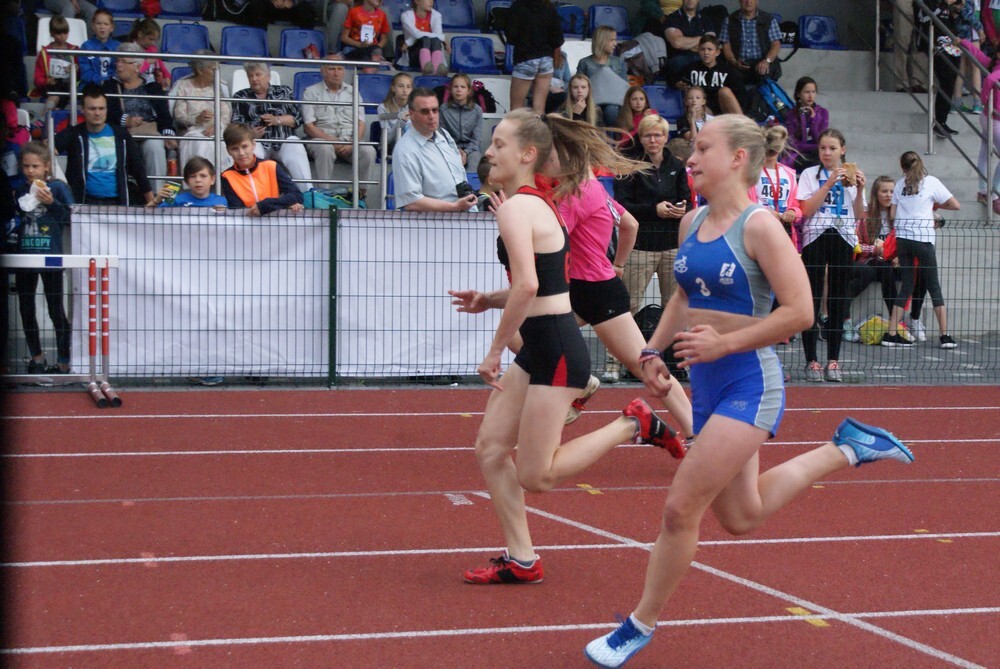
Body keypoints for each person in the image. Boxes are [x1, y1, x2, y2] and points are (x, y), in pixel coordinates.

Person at [584, 113, 915, 669]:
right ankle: (847, 448)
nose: (689, 159)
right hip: (707, 383)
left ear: (738, 158)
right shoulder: (691, 224)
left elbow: (801, 312)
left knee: (680, 506)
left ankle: (637, 626)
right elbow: (683, 298)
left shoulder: (760, 227)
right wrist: (651, 349)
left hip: (749, 382)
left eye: (702, 149)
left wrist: (723, 344)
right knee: (741, 516)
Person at [449, 109, 683, 586]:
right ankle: (521, 558)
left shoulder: (519, 207)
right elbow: (546, 285)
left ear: (527, 154)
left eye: (498, 143)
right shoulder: (535, 203)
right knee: (491, 450)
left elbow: (528, 287)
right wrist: (487, 299)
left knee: (537, 476)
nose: (488, 151)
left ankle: (632, 423)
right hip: (543, 345)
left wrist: (495, 349)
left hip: (555, 350)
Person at [797, 129, 866, 382]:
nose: (827, 153)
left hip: (843, 236)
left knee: (838, 298)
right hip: (816, 235)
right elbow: (805, 210)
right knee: (812, 297)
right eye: (823, 148)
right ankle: (811, 360)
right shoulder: (809, 175)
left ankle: (834, 360)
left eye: (832, 149)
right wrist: (827, 183)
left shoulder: (851, 175)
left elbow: (859, 215)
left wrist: (859, 190)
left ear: (842, 150)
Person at [614, 114, 691, 317]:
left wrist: (683, 210)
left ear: (666, 137)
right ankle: (619, 350)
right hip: (640, 246)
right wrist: (653, 210)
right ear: (640, 138)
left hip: (672, 245)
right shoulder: (629, 164)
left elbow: (689, 201)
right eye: (648, 136)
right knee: (629, 303)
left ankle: (672, 349)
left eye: (658, 135)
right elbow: (621, 205)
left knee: (674, 306)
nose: (653, 140)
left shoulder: (676, 165)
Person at [883, 151, 960, 349]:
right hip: (923, 239)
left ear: (902, 167)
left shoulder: (900, 185)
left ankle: (891, 333)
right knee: (933, 286)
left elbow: (892, 213)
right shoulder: (931, 182)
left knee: (907, 285)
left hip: (903, 239)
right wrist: (931, 209)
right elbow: (955, 204)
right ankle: (945, 335)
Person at [13, 141, 73, 374]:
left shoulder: (57, 188)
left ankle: (64, 359)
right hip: (25, 255)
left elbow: (71, 218)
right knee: (26, 308)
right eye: (26, 166)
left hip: (52, 256)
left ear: (47, 166)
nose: (30, 171)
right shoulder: (19, 189)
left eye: (35, 166)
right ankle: (36, 357)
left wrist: (52, 203)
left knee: (55, 309)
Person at [55, 84, 154, 206]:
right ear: (83, 109)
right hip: (84, 203)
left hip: (117, 203)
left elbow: (138, 169)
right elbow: (45, 150)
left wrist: (151, 201)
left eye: (101, 108)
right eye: (92, 108)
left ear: (107, 109)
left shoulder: (121, 134)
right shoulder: (74, 134)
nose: (97, 113)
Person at [102, 43, 178, 193]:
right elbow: (108, 113)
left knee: (155, 146)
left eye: (124, 62)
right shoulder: (109, 85)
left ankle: (157, 195)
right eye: (118, 61)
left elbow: (164, 115)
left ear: (137, 66)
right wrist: (126, 120)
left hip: (149, 132)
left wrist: (168, 134)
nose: (119, 65)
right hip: (123, 133)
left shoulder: (152, 86)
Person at [391, 87, 479, 212]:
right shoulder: (405, 150)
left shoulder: (444, 135)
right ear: (411, 114)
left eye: (435, 110)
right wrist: (454, 207)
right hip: (435, 224)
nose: (432, 116)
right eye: (425, 112)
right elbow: (411, 202)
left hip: (464, 217)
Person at [302, 55, 376, 200]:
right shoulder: (311, 92)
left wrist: (352, 142)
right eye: (332, 69)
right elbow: (308, 127)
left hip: (349, 140)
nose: (336, 73)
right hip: (321, 139)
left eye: (340, 68)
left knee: (369, 151)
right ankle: (324, 194)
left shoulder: (353, 92)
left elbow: (361, 123)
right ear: (323, 71)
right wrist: (332, 141)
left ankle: (360, 194)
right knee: (325, 148)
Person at [231, 62, 313, 192]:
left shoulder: (284, 92)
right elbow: (235, 124)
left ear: (268, 76)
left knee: (295, 145)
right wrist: (250, 133)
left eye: (258, 75)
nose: (254, 79)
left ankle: (308, 194)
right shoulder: (241, 96)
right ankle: (259, 197)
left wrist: (277, 120)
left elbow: (297, 119)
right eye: (250, 76)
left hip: (283, 140)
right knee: (250, 149)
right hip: (256, 141)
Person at [845, 175, 897, 333]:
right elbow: (857, 245)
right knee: (881, 270)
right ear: (876, 193)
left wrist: (897, 255)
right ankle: (895, 322)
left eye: (892, 192)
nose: (889, 195)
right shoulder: (866, 216)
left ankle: (911, 320)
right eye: (884, 191)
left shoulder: (897, 216)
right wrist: (876, 250)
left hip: (891, 261)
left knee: (921, 272)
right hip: (870, 261)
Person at [220, 122, 305, 216]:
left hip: (274, 221)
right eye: (235, 149)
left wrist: (268, 205)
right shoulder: (226, 176)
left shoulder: (271, 166)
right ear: (228, 151)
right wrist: (282, 204)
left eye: (244, 147)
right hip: (247, 225)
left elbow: (297, 195)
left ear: (253, 144)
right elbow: (237, 208)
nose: (241, 153)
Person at [170, 52, 232, 172]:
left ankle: (223, 181)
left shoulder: (219, 85)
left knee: (222, 142)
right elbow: (179, 115)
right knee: (201, 143)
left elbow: (226, 113)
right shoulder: (184, 85)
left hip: (218, 128)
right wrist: (197, 119)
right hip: (193, 130)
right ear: (200, 70)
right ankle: (201, 178)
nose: (217, 72)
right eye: (214, 69)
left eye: (218, 68)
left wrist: (216, 126)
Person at [961, 35, 1000, 212]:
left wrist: (962, 42)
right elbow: (992, 79)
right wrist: (985, 99)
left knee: (985, 151)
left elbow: (976, 53)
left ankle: (984, 190)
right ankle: (995, 193)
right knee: (987, 151)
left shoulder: (991, 63)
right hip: (994, 119)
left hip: (987, 117)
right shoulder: (996, 69)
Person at [914, 0, 964, 137]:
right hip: (935, 44)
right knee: (946, 78)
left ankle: (942, 122)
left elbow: (952, 20)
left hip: (951, 44)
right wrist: (945, 4)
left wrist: (956, 10)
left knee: (951, 80)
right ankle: (939, 122)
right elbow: (923, 18)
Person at [748, 125, 802, 251]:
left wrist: (793, 212)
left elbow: (796, 204)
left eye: (772, 151)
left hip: (784, 231)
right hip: (758, 229)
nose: (769, 154)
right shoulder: (751, 171)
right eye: (768, 150)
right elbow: (743, 202)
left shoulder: (789, 174)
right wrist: (764, 212)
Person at [507, 0, 564, 114]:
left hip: (525, 57)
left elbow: (510, 36)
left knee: (516, 108)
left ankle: (518, 132)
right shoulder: (549, 7)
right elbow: (558, 39)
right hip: (546, 60)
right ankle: (538, 131)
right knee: (539, 108)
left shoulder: (518, 5)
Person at [719, 0, 782, 87]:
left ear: (757, 1)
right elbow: (726, 45)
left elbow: (776, 44)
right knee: (731, 78)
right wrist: (734, 62)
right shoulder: (729, 20)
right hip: (739, 63)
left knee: (764, 75)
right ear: (739, 1)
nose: (748, 2)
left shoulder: (768, 19)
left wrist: (766, 61)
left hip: (762, 61)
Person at [577, 26, 630, 127]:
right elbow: (578, 85)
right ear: (602, 40)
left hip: (614, 103)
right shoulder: (585, 63)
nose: (615, 44)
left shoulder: (618, 62)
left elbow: (625, 87)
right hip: (591, 101)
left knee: (611, 110)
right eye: (612, 40)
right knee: (595, 111)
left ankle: (610, 140)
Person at [678, 35, 742, 115]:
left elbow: (739, 93)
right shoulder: (690, 68)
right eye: (702, 49)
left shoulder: (727, 70)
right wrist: (678, 84)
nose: (706, 53)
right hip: (703, 108)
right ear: (698, 51)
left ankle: (743, 124)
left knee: (725, 91)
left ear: (717, 52)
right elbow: (674, 79)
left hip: (722, 108)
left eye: (709, 49)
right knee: (695, 100)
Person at [663, 0, 720, 86]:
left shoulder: (706, 19)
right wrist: (701, 38)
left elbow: (710, 44)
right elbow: (676, 43)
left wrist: (684, 40)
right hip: (680, 60)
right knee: (678, 62)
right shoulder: (672, 18)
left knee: (713, 60)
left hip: (701, 58)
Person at [31, 15, 79, 111]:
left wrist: (75, 69)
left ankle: (51, 109)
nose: (62, 36)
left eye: (65, 32)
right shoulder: (45, 52)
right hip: (50, 87)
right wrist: (47, 81)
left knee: (63, 87)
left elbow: (81, 73)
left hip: (69, 86)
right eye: (58, 33)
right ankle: (53, 109)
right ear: (52, 33)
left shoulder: (75, 50)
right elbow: (37, 78)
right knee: (57, 87)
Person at [782, 76, 828, 172]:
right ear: (799, 94)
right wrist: (817, 147)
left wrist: (812, 121)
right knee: (819, 156)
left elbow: (820, 140)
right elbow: (793, 144)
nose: (811, 96)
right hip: (798, 155)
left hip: (816, 154)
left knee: (823, 156)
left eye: (813, 92)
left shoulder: (823, 112)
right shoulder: (791, 114)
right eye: (807, 92)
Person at [147, 155, 228, 209]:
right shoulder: (176, 200)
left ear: (212, 179)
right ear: (186, 181)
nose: (198, 180)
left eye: (203, 176)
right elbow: (144, 218)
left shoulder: (222, 201)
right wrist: (156, 200)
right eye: (193, 176)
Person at [440, 73, 484, 170]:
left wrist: (466, 152)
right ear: (451, 90)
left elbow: (476, 138)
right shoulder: (444, 109)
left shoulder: (477, 110)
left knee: (475, 162)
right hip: (450, 148)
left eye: (463, 87)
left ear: (469, 91)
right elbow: (443, 135)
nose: (459, 90)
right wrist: (456, 150)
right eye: (455, 86)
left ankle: (471, 185)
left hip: (472, 150)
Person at [398, 0, 448, 76]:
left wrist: (409, 41)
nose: (431, 2)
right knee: (425, 39)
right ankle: (427, 70)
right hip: (414, 53)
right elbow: (417, 34)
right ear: (417, 1)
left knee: (435, 40)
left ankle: (436, 71)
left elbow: (438, 35)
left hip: (433, 50)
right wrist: (442, 37)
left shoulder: (436, 15)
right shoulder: (406, 16)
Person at [126, 17, 170, 91]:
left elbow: (161, 66)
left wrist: (167, 76)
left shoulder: (152, 49)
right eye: (150, 39)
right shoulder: (130, 49)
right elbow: (132, 72)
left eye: (155, 40)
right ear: (140, 34)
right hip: (135, 86)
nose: (153, 43)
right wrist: (147, 62)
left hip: (151, 85)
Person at [79, 9, 120, 87]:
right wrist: (100, 81)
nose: (102, 27)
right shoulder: (86, 46)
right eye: (99, 23)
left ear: (112, 27)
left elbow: (120, 70)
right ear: (93, 26)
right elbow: (85, 72)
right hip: (90, 86)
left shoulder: (118, 47)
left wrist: (109, 81)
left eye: (106, 24)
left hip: (112, 86)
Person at [376, 72, 413, 154]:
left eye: (408, 87)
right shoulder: (383, 107)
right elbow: (387, 139)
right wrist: (401, 122)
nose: (405, 90)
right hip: (390, 147)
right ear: (393, 88)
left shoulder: (415, 106)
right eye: (400, 86)